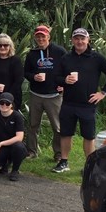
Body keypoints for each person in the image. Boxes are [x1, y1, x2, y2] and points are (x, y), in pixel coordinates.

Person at [52, 28, 106, 173]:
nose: (79, 41)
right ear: (72, 40)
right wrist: (64, 80)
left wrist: (103, 93)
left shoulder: (96, 58)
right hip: (68, 103)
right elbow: (55, 77)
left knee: (88, 136)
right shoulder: (66, 58)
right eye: (76, 38)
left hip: (88, 104)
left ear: (88, 40)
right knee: (66, 133)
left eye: (82, 38)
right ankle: (64, 162)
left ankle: (89, 166)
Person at [24, 25, 66, 160]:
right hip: (36, 94)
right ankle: (31, 151)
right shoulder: (32, 54)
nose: (41, 39)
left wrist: (64, 85)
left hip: (54, 95)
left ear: (48, 36)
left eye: (43, 36)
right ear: (35, 38)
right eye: (38, 36)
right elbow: (26, 72)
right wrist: (33, 77)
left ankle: (58, 154)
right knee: (33, 125)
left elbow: (69, 68)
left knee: (57, 127)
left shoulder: (59, 51)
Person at [0, 92, 27, 181]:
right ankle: (5, 163)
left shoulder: (17, 116)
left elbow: (19, 137)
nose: (4, 105)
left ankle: (15, 170)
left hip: (14, 145)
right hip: (1, 148)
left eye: (7, 103)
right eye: (2, 103)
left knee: (19, 147)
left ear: (11, 105)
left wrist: (1, 143)